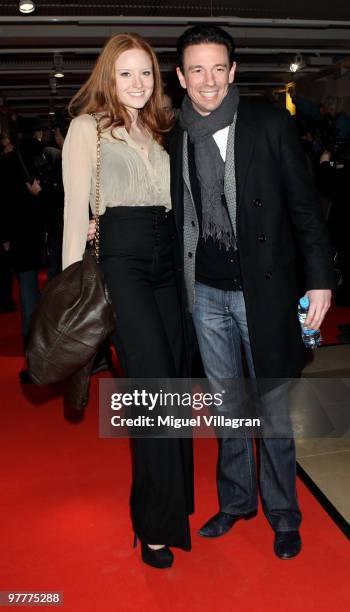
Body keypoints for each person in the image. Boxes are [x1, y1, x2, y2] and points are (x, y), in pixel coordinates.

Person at [168, 25, 334, 559]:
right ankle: (237, 502)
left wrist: (320, 280)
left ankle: (284, 514)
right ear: (180, 76)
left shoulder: (267, 123)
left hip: (263, 293)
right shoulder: (177, 135)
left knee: (274, 411)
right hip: (207, 295)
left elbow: (305, 208)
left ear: (234, 71)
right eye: (197, 69)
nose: (209, 80)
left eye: (219, 67)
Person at [62, 32, 193, 569]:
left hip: (168, 261)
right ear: (107, 78)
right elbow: (74, 215)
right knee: (154, 392)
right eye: (126, 74)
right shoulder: (85, 129)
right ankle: (153, 525)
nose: (138, 84)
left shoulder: (162, 129)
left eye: (146, 74)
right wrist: (74, 296)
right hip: (123, 262)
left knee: (177, 386)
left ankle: (176, 506)